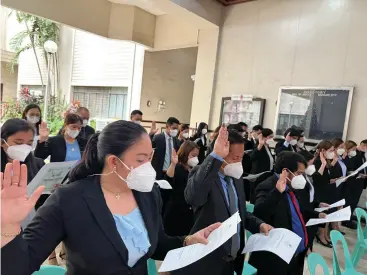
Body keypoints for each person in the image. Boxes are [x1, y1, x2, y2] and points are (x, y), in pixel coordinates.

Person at [1, 121, 221, 275]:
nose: (148, 167)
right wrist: (8, 227)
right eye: (141, 159)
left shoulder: (147, 193)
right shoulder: (70, 199)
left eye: (150, 158)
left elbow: (156, 242)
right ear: (114, 162)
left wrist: (186, 240)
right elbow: (21, 264)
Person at [181, 127, 273, 275]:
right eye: (234, 158)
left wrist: (259, 224)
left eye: (241, 157)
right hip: (207, 260)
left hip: (232, 261)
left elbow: (239, 212)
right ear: (221, 154)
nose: (239, 162)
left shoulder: (235, 179)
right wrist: (214, 157)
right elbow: (193, 197)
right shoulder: (202, 174)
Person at [250, 152, 322, 275]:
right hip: (275, 258)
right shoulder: (267, 186)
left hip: (294, 253)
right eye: (299, 173)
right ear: (286, 171)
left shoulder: (292, 186)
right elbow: (259, 213)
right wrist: (277, 192)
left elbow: (297, 211)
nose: (302, 178)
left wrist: (317, 214)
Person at [163, 141, 199, 236]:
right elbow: (168, 181)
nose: (195, 159)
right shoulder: (178, 168)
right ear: (185, 153)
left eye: (197, 156)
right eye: (193, 155)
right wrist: (173, 164)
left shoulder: (193, 170)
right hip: (175, 213)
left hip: (188, 213)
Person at [297, 150, 329, 253]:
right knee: (305, 232)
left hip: (310, 209)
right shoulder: (299, 179)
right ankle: (306, 249)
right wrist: (317, 214)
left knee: (311, 231)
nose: (312, 166)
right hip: (305, 212)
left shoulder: (307, 176)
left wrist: (318, 203)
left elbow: (310, 195)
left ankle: (309, 246)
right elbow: (302, 201)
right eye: (310, 163)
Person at [313, 140, 343, 247]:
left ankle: (325, 234)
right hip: (320, 192)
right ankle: (321, 236)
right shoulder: (318, 161)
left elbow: (327, 178)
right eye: (330, 150)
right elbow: (316, 179)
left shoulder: (327, 161)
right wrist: (323, 164)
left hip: (327, 190)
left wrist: (334, 179)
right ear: (323, 151)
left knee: (327, 214)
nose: (332, 152)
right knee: (323, 215)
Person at [1, 118, 44, 189]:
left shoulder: (38, 165)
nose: (24, 147)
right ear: (2, 142)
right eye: (19, 143)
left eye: (29, 143)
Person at [151, 117, 181, 214]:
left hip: (171, 174)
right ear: (167, 127)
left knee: (167, 199)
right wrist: (151, 134)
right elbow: (148, 148)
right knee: (157, 199)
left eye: (177, 128)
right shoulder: (158, 138)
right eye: (173, 128)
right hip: (159, 173)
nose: (175, 130)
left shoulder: (176, 141)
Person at [341, 140, 364, 229]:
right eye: (353, 149)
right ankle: (345, 221)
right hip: (349, 183)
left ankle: (346, 219)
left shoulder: (349, 157)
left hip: (355, 181)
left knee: (353, 202)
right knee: (348, 202)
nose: (354, 151)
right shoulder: (347, 157)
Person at [249, 128, 275, 203]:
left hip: (267, 175)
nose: (272, 139)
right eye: (270, 137)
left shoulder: (267, 146)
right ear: (264, 137)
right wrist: (260, 144)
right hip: (258, 176)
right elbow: (252, 157)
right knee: (255, 197)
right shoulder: (259, 146)